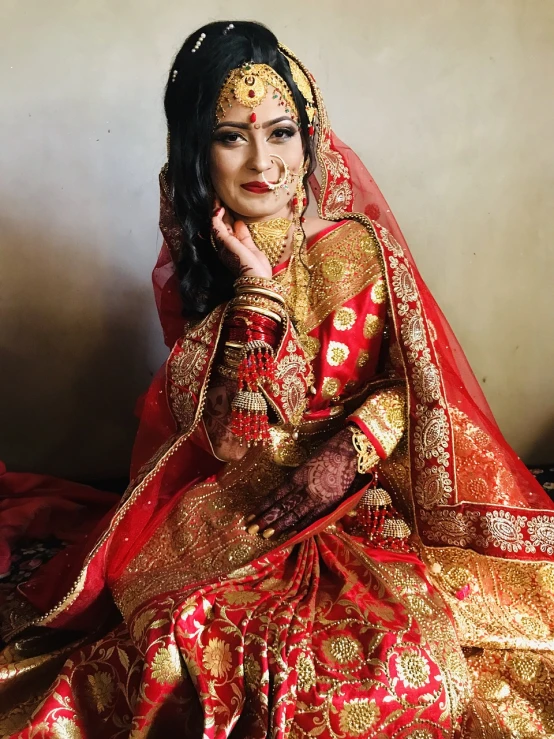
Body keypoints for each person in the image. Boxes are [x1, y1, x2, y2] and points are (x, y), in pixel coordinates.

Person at [1, 20, 553, 739]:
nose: (263, 160)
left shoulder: (362, 248)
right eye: (232, 135)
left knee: (381, 661)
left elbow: (414, 388)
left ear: (310, 135)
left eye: (282, 131)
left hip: (356, 493)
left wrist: (346, 452)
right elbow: (233, 439)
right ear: (200, 151)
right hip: (239, 500)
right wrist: (257, 289)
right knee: (177, 642)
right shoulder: (213, 266)